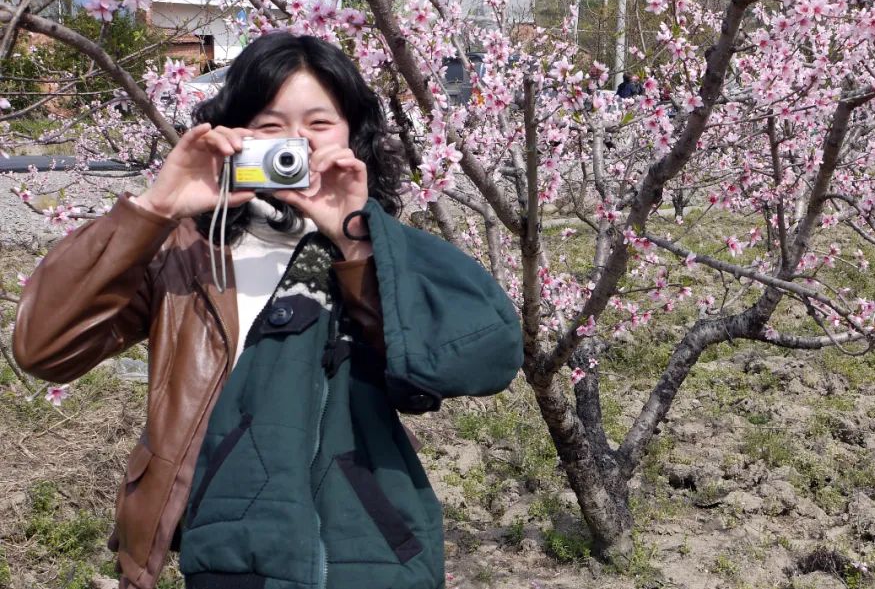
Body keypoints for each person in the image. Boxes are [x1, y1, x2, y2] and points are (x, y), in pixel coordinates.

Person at [13, 32, 523, 589]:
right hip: (218, 543)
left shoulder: (378, 252)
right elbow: (43, 348)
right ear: (233, 133)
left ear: (355, 133)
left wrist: (355, 242)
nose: (295, 144)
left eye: (319, 124)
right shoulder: (186, 253)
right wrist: (154, 209)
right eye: (270, 126)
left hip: (362, 548)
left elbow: (482, 362)